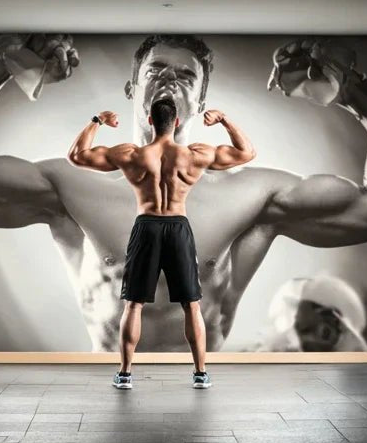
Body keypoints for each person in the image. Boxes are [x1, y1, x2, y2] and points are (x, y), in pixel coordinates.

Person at [0, 34, 367, 353]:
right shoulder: (74, 184)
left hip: (200, 377)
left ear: (201, 101)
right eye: (155, 70)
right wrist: (3, 59)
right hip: (108, 373)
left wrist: (352, 91)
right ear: (133, 89)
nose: (170, 78)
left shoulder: (253, 192)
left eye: (186, 74)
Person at [66, 99, 255, 388]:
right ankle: (200, 373)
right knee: (192, 305)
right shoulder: (196, 154)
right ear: (177, 122)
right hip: (178, 227)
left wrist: (97, 120)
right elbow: (247, 152)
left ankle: (126, 374)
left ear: (150, 121)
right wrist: (224, 119)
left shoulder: (131, 154)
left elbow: (77, 156)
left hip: (147, 227)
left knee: (134, 305)